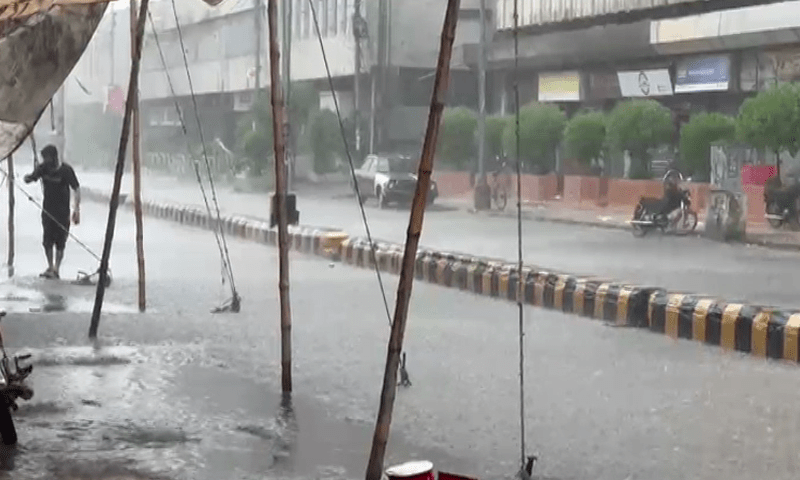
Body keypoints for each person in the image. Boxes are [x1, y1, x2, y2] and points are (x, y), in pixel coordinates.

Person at [23, 145, 80, 280]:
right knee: (47, 240)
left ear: (54, 157)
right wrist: (29, 177)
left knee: (61, 241)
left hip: (63, 212)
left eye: (47, 158)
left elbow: (76, 188)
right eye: (43, 159)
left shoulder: (66, 170)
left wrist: (76, 209)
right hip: (48, 210)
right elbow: (30, 178)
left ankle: (56, 268)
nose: (45, 161)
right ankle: (50, 267)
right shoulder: (43, 169)